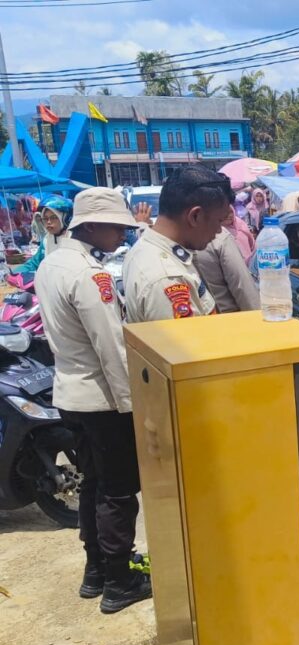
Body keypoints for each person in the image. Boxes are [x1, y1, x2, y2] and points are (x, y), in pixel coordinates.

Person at [35, 187, 151, 614]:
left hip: (71, 393)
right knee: (118, 492)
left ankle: (96, 570)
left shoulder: (51, 263)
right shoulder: (91, 274)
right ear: (94, 226)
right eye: (118, 228)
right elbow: (112, 349)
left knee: (94, 486)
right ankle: (119, 582)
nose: (122, 235)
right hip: (103, 400)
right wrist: (133, 405)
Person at [122, 165, 233, 324]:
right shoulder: (168, 278)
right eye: (219, 221)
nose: (219, 231)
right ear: (195, 216)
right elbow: (191, 346)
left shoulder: (145, 248)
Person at [193, 227, 259, 313]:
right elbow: (243, 287)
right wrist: (257, 319)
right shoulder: (219, 237)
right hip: (230, 317)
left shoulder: (174, 239)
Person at [12, 196, 73, 275]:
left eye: (54, 217)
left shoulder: (73, 238)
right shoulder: (47, 239)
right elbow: (34, 262)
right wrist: (13, 273)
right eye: (45, 218)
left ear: (65, 218)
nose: (48, 222)